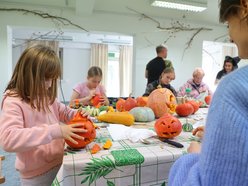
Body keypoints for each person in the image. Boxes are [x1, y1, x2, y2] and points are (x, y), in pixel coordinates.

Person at [168, 0, 248, 185]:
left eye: (229, 24)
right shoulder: (187, 84)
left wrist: (196, 158)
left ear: (244, 6)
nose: (229, 36)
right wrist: (220, 135)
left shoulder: (233, 89)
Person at [0, 45, 90, 186]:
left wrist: (79, 114)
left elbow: (65, 112)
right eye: (46, 79)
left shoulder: (46, 97)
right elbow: (8, 139)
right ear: (28, 74)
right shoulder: (13, 101)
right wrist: (56, 130)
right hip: (35, 175)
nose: (49, 85)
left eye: (52, 80)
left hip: (58, 162)